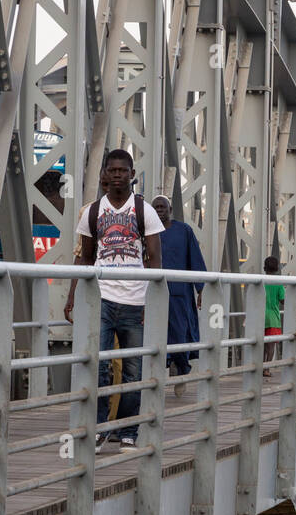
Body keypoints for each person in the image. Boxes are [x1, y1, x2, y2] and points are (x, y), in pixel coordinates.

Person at [71, 147, 164, 450]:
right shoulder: (93, 212)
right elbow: (84, 258)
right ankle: (98, 429)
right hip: (101, 298)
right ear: (105, 175)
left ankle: (127, 430)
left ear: (132, 175)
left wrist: (152, 302)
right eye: (112, 170)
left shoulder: (144, 210)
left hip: (135, 300)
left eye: (123, 170)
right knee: (98, 366)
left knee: (134, 369)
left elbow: (155, 260)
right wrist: (73, 296)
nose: (117, 175)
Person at [151, 195, 206, 398]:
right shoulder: (147, 231)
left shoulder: (184, 231)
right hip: (153, 294)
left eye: (162, 207)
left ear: (170, 209)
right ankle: (156, 379)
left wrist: (201, 289)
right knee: (154, 336)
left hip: (179, 294)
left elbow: (196, 260)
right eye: (155, 207)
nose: (159, 210)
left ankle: (181, 369)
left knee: (179, 335)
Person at [262, 256, 286, 377]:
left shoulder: (260, 281)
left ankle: (259, 366)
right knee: (270, 346)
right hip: (273, 318)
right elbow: (283, 300)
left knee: (261, 344)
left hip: (260, 317)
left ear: (265, 268)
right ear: (277, 268)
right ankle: (266, 369)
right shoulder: (278, 283)